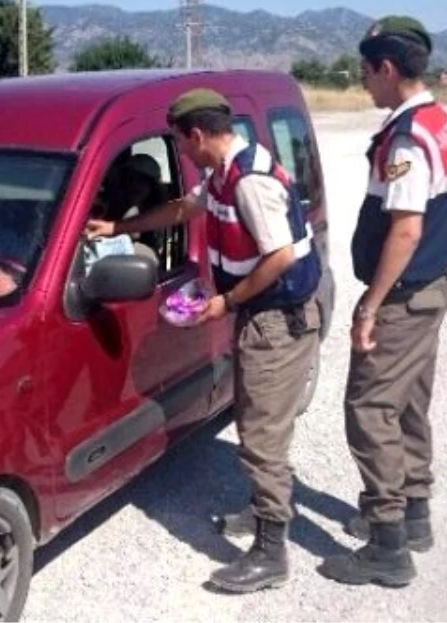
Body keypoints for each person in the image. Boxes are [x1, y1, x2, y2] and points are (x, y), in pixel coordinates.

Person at [85, 88, 323, 593]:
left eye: (182, 144)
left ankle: (270, 553)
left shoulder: (250, 181)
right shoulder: (222, 173)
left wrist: (226, 302)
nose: (184, 156)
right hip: (261, 314)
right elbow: (179, 211)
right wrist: (118, 227)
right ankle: (263, 513)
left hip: (278, 318)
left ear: (196, 135)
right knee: (256, 420)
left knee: (261, 435)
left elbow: (279, 256)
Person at [316, 15, 447, 588]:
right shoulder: (439, 121)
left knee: (370, 407)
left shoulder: (406, 138)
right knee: (406, 403)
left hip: (405, 297)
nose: (362, 83)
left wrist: (370, 305)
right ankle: (415, 513)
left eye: (365, 72)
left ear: (386, 68)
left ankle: (387, 544)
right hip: (430, 291)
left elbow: (405, 229)